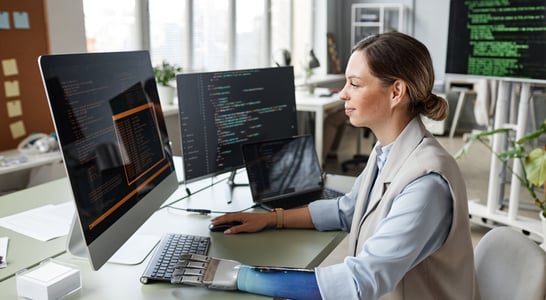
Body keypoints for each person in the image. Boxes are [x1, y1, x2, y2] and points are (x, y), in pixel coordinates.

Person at [203, 32, 479, 299]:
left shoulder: (426, 185)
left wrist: (236, 275)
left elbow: (358, 284)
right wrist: (271, 219)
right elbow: (347, 210)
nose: (342, 94)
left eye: (355, 84)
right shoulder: (387, 150)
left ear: (396, 92)